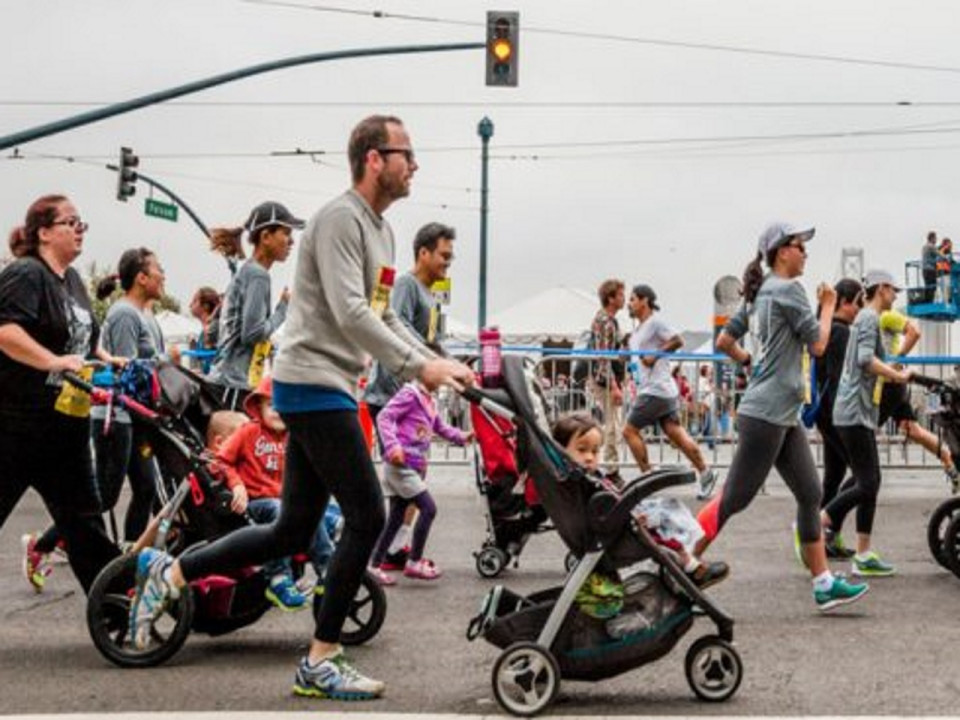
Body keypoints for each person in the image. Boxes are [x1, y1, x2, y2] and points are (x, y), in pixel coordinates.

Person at [128, 114, 475, 700]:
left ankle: (174, 570)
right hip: (311, 385)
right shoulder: (339, 220)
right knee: (366, 515)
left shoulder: (383, 233)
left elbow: (383, 312)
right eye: (406, 154)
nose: (414, 165)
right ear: (373, 158)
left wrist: (437, 360)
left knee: (293, 528)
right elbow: (349, 312)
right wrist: (419, 369)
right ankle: (321, 658)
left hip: (330, 385)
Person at [695, 221, 869, 612]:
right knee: (734, 498)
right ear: (781, 252)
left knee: (809, 494)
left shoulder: (760, 293)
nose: (805, 251)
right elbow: (820, 344)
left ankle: (823, 583)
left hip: (781, 413)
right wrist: (827, 307)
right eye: (799, 245)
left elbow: (726, 339)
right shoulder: (788, 290)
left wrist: (749, 362)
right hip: (767, 414)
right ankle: (681, 561)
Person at [0, 194, 119, 594]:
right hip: (17, 425)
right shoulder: (27, 274)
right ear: (44, 233)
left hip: (64, 425)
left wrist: (106, 361)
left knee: (85, 521)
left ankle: (115, 607)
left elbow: (81, 340)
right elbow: (5, 332)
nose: (79, 229)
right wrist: (53, 361)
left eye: (80, 222)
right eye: (71, 222)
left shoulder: (71, 280)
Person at [363, 221, 456, 570]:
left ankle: (396, 549)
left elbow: (429, 343)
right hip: (392, 397)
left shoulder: (431, 295)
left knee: (413, 480)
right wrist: (417, 377)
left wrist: (454, 366)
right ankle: (386, 552)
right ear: (423, 252)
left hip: (414, 396)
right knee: (406, 482)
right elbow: (391, 331)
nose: (449, 261)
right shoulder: (405, 285)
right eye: (444, 255)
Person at [553, 412, 729, 589]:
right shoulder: (579, 481)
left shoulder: (583, 478)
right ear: (562, 451)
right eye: (581, 450)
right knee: (664, 531)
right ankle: (692, 568)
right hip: (615, 530)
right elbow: (599, 509)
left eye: (595, 451)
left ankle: (685, 565)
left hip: (617, 521)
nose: (590, 457)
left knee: (667, 515)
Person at [821, 271, 916, 577]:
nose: (896, 297)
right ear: (882, 289)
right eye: (893, 291)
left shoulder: (865, 319)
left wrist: (892, 367)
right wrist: (896, 375)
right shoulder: (868, 319)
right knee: (868, 482)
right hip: (852, 412)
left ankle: (863, 554)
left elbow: (871, 359)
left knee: (870, 480)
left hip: (858, 411)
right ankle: (820, 520)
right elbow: (864, 359)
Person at [367, 377, 472, 584]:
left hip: (412, 466)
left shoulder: (428, 399)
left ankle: (373, 565)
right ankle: (414, 562)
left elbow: (440, 427)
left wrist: (462, 436)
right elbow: (384, 417)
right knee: (429, 509)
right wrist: (392, 446)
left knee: (396, 517)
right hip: (401, 466)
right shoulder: (410, 394)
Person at [216, 376, 306, 610]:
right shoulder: (248, 432)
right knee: (279, 512)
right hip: (254, 505)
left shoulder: (292, 435)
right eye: (270, 405)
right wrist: (237, 485)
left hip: (283, 502)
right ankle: (279, 577)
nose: (277, 411)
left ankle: (328, 568)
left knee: (324, 512)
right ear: (258, 407)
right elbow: (221, 461)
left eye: (282, 405)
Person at [621, 284, 718, 499]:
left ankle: (648, 477)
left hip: (655, 390)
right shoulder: (636, 332)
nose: (629, 303)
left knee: (628, 431)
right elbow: (635, 358)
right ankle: (706, 472)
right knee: (676, 433)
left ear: (645, 301)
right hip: (659, 389)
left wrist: (655, 355)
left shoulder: (655, 322)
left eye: (633, 299)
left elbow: (677, 340)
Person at [207, 201, 301, 409]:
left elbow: (213, 331)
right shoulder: (258, 276)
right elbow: (252, 334)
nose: (291, 241)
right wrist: (283, 309)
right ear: (265, 237)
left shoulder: (246, 271)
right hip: (234, 385)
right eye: (286, 233)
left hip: (224, 381)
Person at [877, 305, 959, 488]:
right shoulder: (872, 318)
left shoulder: (885, 316)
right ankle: (948, 460)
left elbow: (914, 332)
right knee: (913, 430)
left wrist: (897, 360)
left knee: (863, 431)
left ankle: (859, 479)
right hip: (893, 384)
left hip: (889, 385)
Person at [813, 278, 864, 559]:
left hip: (823, 411)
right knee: (862, 474)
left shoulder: (825, 326)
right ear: (845, 302)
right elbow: (838, 378)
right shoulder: (842, 332)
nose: (860, 309)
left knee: (834, 475)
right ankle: (822, 526)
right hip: (835, 413)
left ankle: (821, 537)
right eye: (858, 302)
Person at [589, 279, 626, 472]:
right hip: (605, 380)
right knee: (612, 426)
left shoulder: (604, 319)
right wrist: (614, 386)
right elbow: (604, 355)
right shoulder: (606, 321)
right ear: (610, 298)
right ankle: (611, 469)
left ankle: (609, 466)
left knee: (612, 424)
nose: (624, 298)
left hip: (604, 378)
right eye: (620, 295)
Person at [188, 286, 221, 372]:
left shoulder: (216, 328)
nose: (190, 305)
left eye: (194, 301)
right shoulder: (203, 333)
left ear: (205, 306)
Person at [922, 231, 938, 303]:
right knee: (932, 287)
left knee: (928, 286)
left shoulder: (924, 247)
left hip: (924, 270)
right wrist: (947, 258)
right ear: (932, 238)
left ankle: (926, 301)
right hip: (930, 270)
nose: (936, 240)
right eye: (935, 238)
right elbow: (939, 254)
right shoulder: (931, 246)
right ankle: (929, 302)